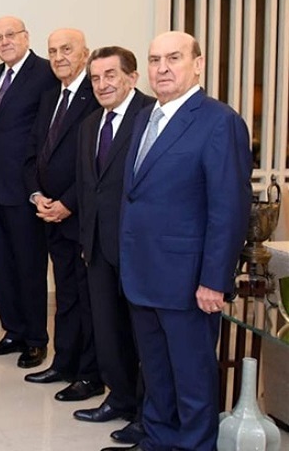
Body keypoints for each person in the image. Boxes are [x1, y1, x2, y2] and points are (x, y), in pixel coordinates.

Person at [112, 31, 250, 451]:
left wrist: (214, 280)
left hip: (188, 282)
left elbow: (228, 208)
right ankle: (158, 440)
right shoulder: (144, 118)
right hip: (142, 275)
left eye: (174, 58)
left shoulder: (218, 121)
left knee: (192, 379)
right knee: (156, 375)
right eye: (155, 60)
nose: (162, 68)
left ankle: (195, 445)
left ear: (198, 64)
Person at [74, 46, 152, 448]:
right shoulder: (90, 124)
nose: (102, 84)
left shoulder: (151, 117)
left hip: (137, 247)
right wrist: (86, 239)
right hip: (98, 246)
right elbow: (88, 188)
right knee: (108, 330)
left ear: (132, 77)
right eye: (95, 78)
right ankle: (119, 397)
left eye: (110, 75)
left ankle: (145, 413)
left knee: (143, 336)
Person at [22, 29, 103, 402]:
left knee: (88, 298)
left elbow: (96, 164)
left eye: (67, 49)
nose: (58, 57)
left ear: (85, 53)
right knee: (66, 294)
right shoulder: (51, 95)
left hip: (80, 216)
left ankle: (90, 375)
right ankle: (64, 362)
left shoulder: (95, 95)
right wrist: (37, 195)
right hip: (49, 214)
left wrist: (67, 203)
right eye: (53, 51)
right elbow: (34, 152)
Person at [0, 16, 58, 369]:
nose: (4, 41)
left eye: (10, 35)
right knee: (3, 266)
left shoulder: (44, 73)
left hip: (26, 188)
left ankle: (36, 339)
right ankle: (13, 331)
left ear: (26, 37)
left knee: (29, 266)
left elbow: (46, 132)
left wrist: (37, 185)